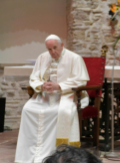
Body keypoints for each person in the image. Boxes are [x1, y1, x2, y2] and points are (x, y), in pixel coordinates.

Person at [15, 34, 90, 163]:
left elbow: (81, 81)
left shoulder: (75, 58)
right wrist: (41, 85)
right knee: (28, 109)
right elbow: (34, 78)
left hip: (65, 96)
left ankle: (54, 154)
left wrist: (59, 86)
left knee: (60, 112)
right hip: (44, 96)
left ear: (61, 45)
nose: (52, 52)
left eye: (55, 48)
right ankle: (29, 155)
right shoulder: (42, 57)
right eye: (49, 49)